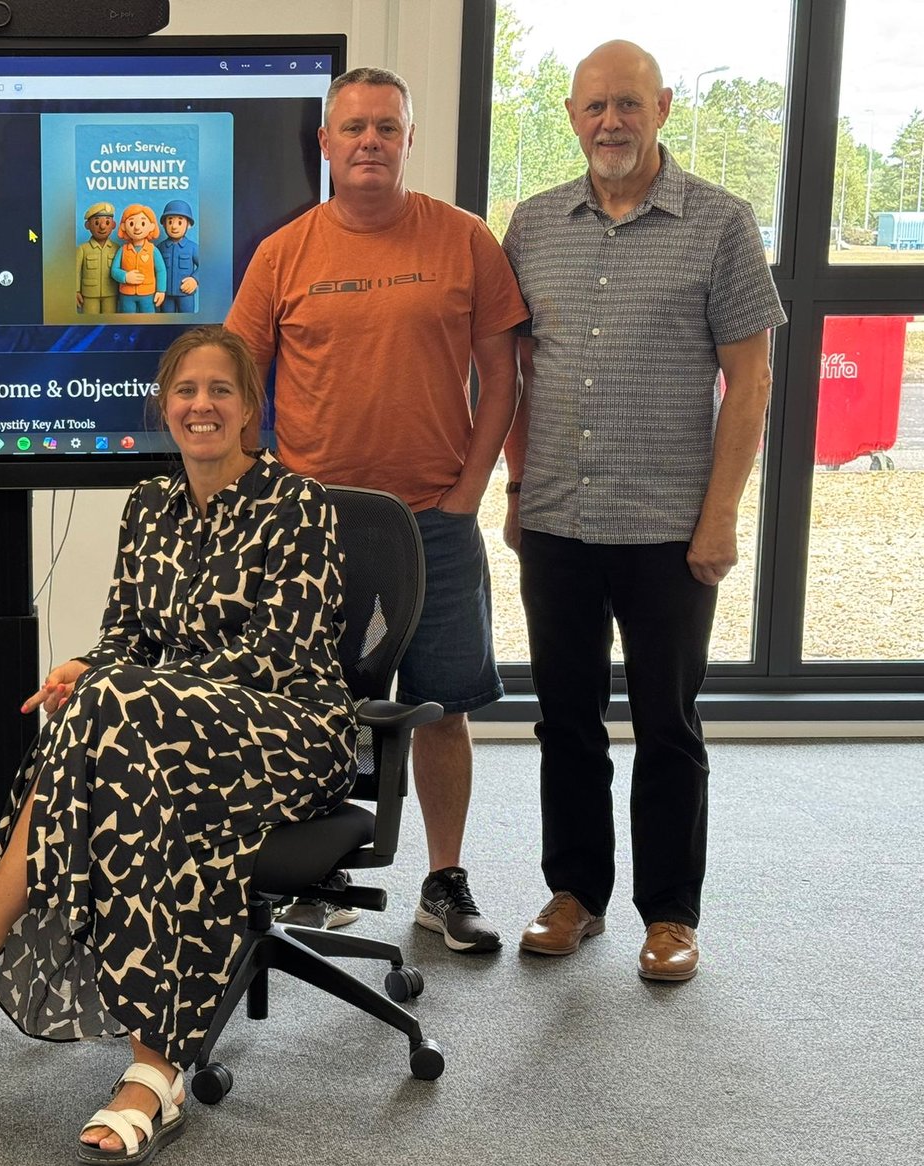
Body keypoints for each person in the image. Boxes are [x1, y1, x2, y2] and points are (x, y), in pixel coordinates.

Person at [0, 326, 356, 1166]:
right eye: (186, 391)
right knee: (117, 728)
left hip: (287, 728)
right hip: (161, 738)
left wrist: (129, 689)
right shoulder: (150, 505)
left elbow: (281, 655)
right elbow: (127, 635)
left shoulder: (297, 505)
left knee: (118, 707)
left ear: (249, 409)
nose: (202, 406)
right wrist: (90, 667)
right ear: (164, 406)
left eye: (220, 391)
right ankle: (154, 1071)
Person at [225, 66, 527, 953]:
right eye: (352, 127)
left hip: (435, 517)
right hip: (318, 529)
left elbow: (503, 377)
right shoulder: (285, 253)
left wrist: (472, 489)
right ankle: (319, 882)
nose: (369, 141)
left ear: (406, 139)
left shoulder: (464, 240)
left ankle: (444, 881)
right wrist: (258, 497)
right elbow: (236, 384)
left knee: (441, 708)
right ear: (324, 142)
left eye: (386, 127)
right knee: (312, 707)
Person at [501, 41, 784, 982]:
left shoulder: (720, 223)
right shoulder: (533, 224)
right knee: (564, 718)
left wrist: (722, 516)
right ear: (572, 117)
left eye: (628, 104)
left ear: (661, 106)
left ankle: (672, 914)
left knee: (668, 721)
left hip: (670, 525)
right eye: (594, 108)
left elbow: (751, 382)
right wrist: (516, 486)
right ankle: (575, 894)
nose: (610, 122)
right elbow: (515, 373)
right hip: (557, 519)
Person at [111, 202, 164, 313]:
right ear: (123, 226)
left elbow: (161, 271)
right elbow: (114, 270)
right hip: (126, 293)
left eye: (143, 223)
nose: (137, 227)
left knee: (148, 318)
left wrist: (161, 290)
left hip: (147, 293)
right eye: (131, 224)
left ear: (151, 226)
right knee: (127, 318)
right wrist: (125, 276)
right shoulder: (123, 250)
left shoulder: (153, 250)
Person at [75, 201, 120, 314]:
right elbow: (76, 272)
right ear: (87, 225)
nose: (102, 226)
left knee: (110, 321)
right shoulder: (82, 249)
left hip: (111, 292)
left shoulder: (117, 248)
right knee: (90, 321)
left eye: (107, 222)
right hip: (89, 294)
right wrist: (75, 291)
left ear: (113, 225)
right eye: (96, 222)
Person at [156, 199, 200, 313]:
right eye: (170, 222)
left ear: (188, 225)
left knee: (187, 321)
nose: (174, 227)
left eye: (180, 222)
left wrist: (195, 280)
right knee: (166, 321)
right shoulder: (159, 248)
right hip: (165, 294)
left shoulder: (193, 247)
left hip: (186, 294)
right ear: (164, 224)